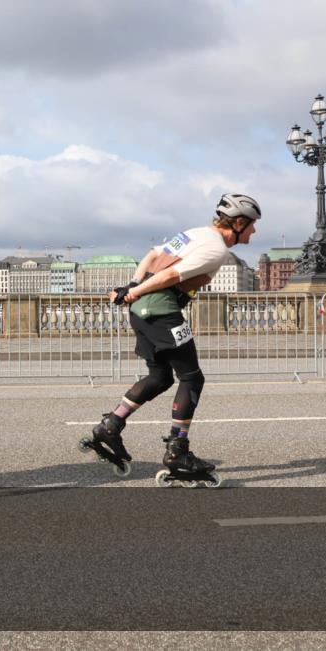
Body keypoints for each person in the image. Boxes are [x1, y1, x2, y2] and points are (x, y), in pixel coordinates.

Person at [87, 193, 262, 482]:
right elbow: (170, 275)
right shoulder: (216, 249)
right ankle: (177, 451)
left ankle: (110, 425)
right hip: (162, 311)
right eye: (253, 225)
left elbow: (153, 255)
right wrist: (137, 290)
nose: (254, 231)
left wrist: (133, 286)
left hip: (142, 313)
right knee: (192, 378)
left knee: (160, 377)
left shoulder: (195, 234)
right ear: (239, 223)